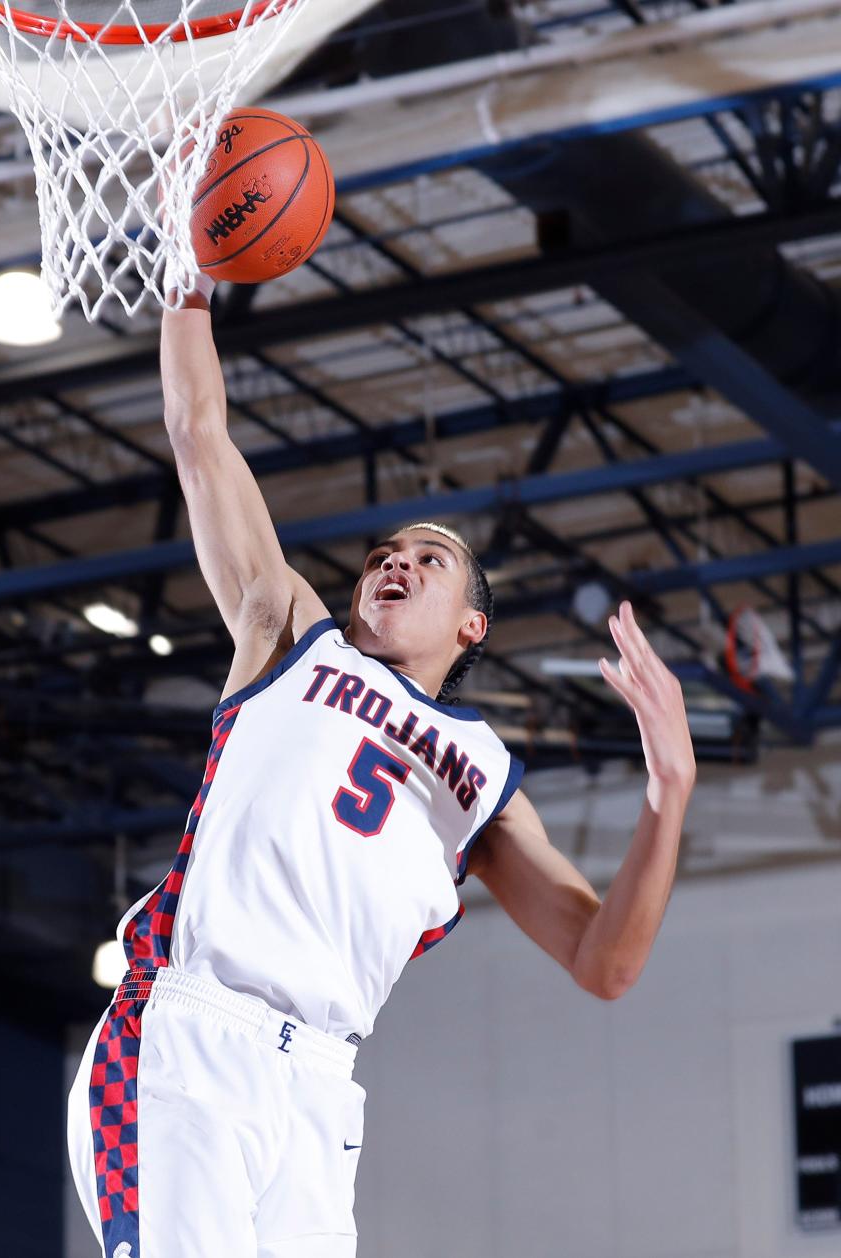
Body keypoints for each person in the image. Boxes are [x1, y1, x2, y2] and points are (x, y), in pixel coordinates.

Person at [67, 278, 697, 1258]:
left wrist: (670, 794)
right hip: (189, 1032)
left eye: (426, 560)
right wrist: (187, 284)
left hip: (318, 1085)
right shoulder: (291, 637)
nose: (392, 564)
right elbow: (198, 433)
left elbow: (605, 962)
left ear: (471, 624)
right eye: (381, 556)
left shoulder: (482, 778)